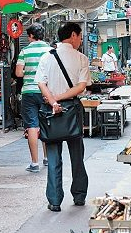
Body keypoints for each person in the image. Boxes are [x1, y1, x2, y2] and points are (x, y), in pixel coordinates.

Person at [35, 22, 91, 212]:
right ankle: (79, 196)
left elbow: (41, 84)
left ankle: (54, 200)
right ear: (73, 35)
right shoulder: (81, 58)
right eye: (80, 36)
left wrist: (52, 100)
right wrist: (58, 98)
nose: (81, 40)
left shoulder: (46, 57)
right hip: (72, 110)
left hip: (51, 112)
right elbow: (81, 87)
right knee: (77, 156)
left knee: (53, 158)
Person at [15, 23, 51, 173]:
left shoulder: (25, 50)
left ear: (30, 36)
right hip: (45, 92)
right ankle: (48, 158)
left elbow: (18, 73)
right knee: (46, 124)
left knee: (32, 126)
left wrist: (28, 73)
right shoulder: (50, 50)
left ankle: (34, 163)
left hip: (29, 92)